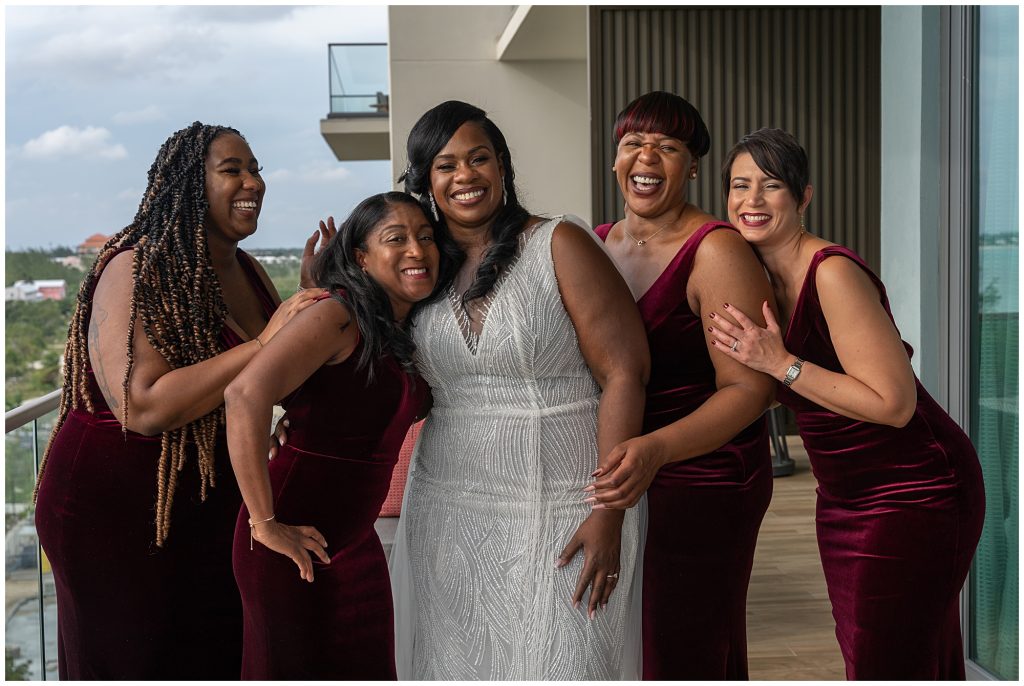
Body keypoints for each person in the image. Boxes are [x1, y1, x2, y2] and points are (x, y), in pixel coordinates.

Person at [32, 122, 323, 679]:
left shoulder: (248, 269)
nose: (253, 182)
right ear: (190, 184)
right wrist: (268, 338)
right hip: (115, 509)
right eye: (232, 170)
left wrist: (306, 299)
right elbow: (143, 406)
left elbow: (263, 379)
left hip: (206, 498)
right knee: (133, 658)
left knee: (210, 651)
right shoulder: (136, 265)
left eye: (256, 168)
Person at [388, 100, 650, 680]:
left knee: (568, 662)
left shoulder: (560, 244)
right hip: (450, 513)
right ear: (425, 180)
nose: (464, 176)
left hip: (565, 506)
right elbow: (377, 370)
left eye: (479, 158)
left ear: (503, 166)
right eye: (445, 165)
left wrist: (610, 511)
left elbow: (624, 373)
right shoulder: (418, 269)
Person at [710, 127, 985, 679]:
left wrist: (780, 363)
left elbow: (893, 404)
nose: (752, 201)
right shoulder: (761, 278)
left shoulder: (830, 273)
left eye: (771, 186)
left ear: (803, 195)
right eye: (740, 186)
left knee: (886, 662)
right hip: (843, 495)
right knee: (906, 655)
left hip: (916, 488)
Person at [587, 91, 777, 680]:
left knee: (686, 648)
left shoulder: (715, 251)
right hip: (628, 464)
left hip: (704, 475)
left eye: (667, 147)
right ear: (615, 160)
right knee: (632, 647)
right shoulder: (596, 242)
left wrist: (658, 448)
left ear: (692, 166)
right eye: (633, 144)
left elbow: (750, 391)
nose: (647, 156)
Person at [226, 192, 440, 679]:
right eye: (397, 239)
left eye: (426, 237)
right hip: (290, 542)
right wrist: (264, 524)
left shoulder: (396, 327)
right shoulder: (339, 313)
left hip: (354, 541)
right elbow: (243, 396)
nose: (417, 249)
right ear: (361, 258)